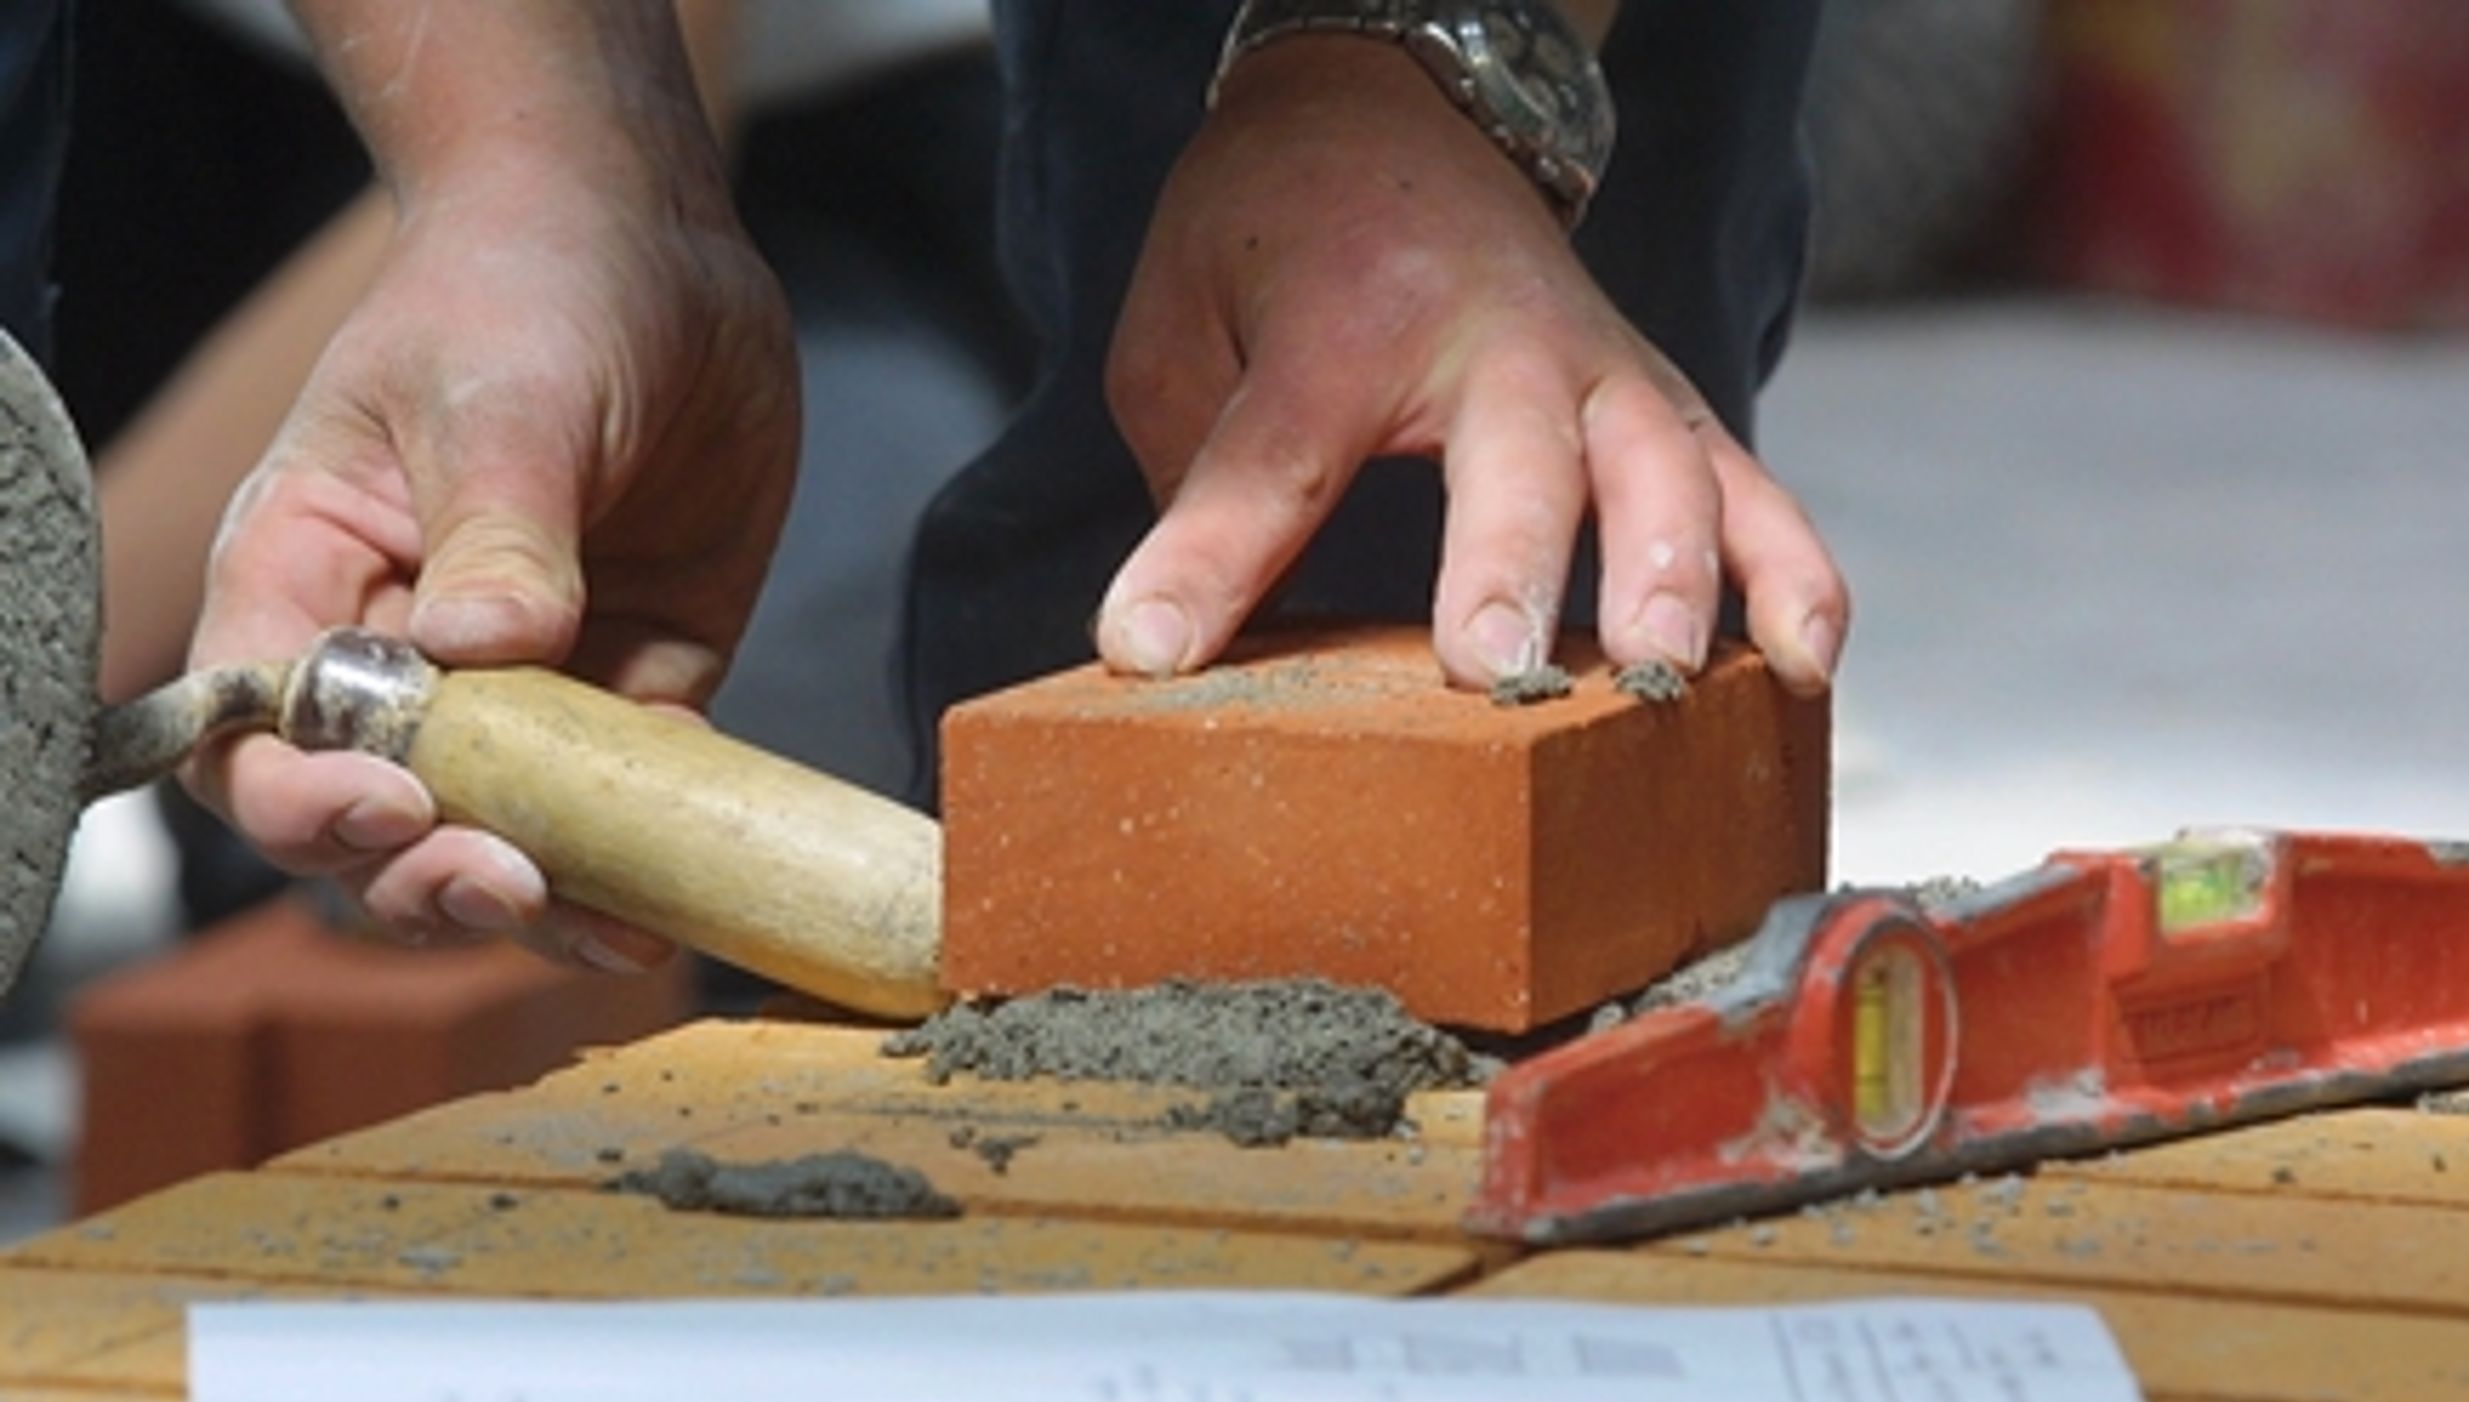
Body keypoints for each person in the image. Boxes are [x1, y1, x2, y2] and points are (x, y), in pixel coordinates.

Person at [13, 1, 1852, 978]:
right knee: (1134, 821)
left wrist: (1413, 79)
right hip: (216, 90)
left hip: (891, 128)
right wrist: (542, 164)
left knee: (1427, 560)